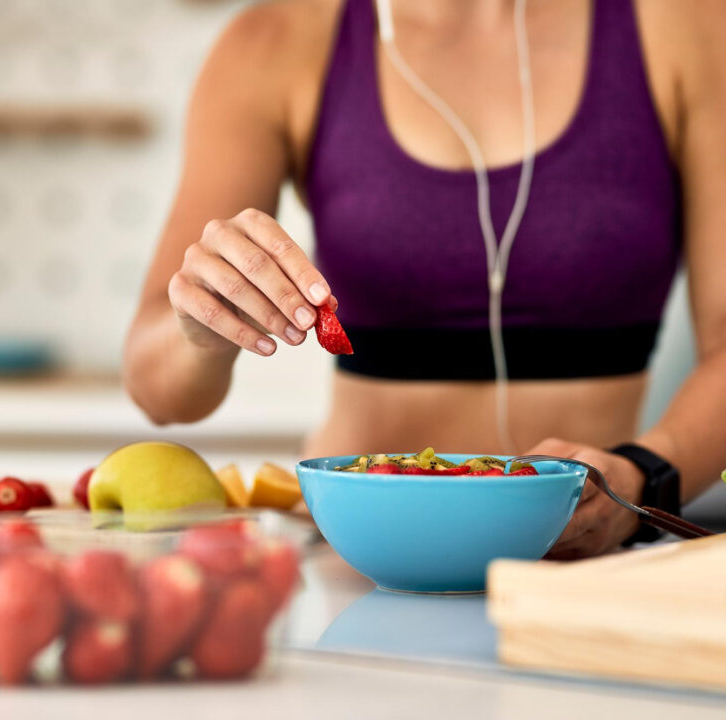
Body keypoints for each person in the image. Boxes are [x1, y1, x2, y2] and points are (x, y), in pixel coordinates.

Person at [123, 0, 726, 558]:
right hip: (356, 560)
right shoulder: (274, 41)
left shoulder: (688, 26)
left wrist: (644, 474)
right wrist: (202, 327)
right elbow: (159, 391)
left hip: (580, 560)